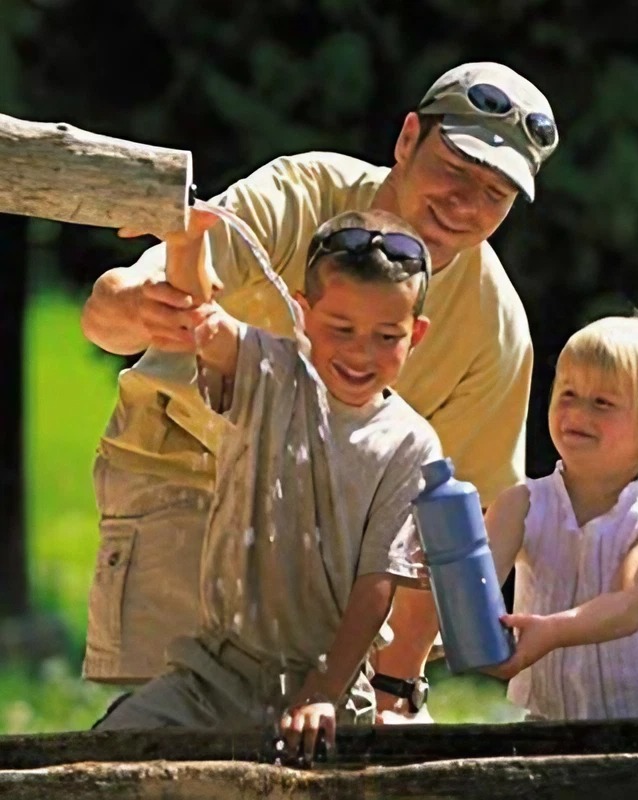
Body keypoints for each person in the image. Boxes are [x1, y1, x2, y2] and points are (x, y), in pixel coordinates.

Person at [78, 62, 559, 715]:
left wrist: (395, 687)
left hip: (340, 543)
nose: (466, 204)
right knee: (180, 736)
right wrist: (132, 303)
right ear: (407, 138)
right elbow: (121, 306)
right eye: (455, 169)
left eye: (495, 194)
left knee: (330, 740)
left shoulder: (495, 329)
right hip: (184, 476)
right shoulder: (303, 191)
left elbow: (445, 531)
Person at [96, 207, 439, 762]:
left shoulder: (409, 444)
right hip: (213, 673)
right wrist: (186, 246)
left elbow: (377, 583)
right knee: (104, 757)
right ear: (302, 315)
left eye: (386, 336)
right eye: (341, 329)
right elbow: (199, 322)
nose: (360, 352)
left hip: (330, 681)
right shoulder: (268, 369)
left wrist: (324, 692)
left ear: (416, 334)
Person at [483, 311, 638, 720]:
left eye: (602, 402)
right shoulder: (521, 503)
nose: (578, 412)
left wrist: (551, 632)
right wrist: (445, 575)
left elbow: (628, 605)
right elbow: (475, 588)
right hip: (546, 721)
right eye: (568, 393)